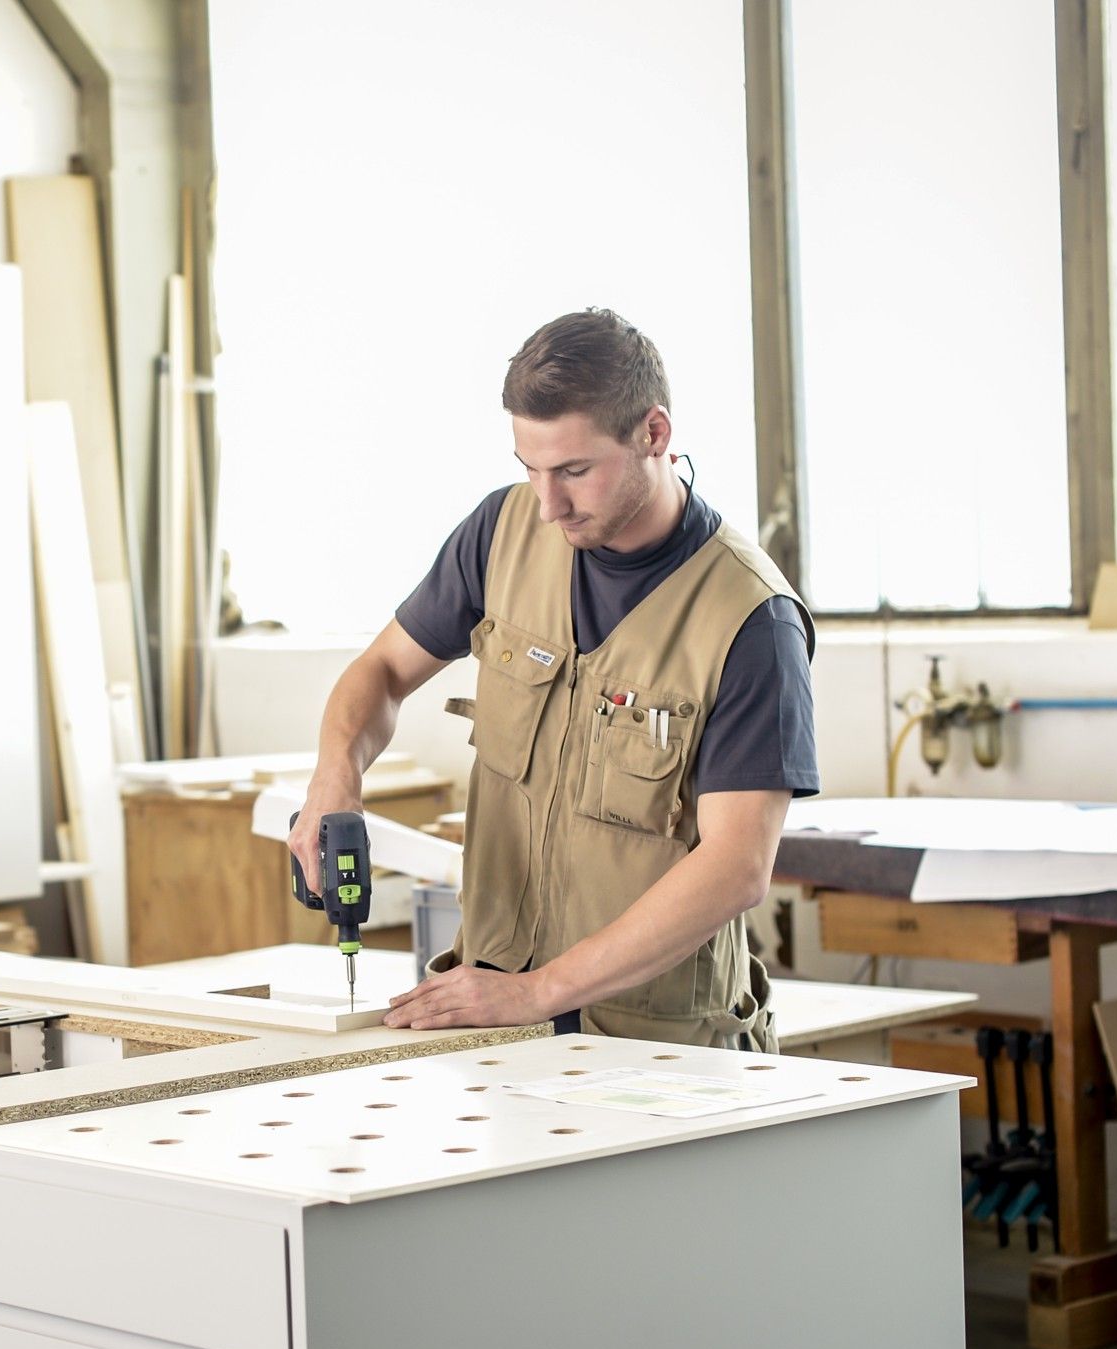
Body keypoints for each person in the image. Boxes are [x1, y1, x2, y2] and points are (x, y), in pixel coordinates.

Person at [287, 309, 818, 1046]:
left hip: (659, 1052)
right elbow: (379, 671)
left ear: (654, 435)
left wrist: (539, 993)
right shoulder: (501, 532)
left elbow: (736, 866)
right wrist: (333, 778)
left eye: (573, 471)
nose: (548, 504)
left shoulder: (749, 619)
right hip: (495, 1030)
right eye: (529, 469)